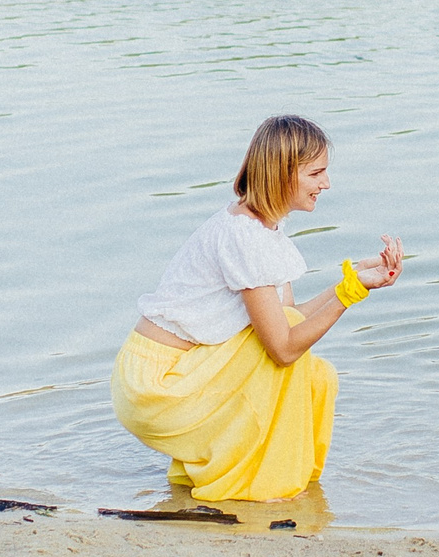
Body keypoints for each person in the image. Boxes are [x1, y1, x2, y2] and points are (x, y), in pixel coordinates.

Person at [112, 116, 404, 503]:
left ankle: (246, 475)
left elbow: (287, 314)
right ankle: (260, 487)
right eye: (316, 173)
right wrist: (347, 297)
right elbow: (283, 348)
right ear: (282, 174)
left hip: (173, 371)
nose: (326, 184)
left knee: (319, 376)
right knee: (292, 362)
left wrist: (354, 283)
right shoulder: (245, 238)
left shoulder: (261, 228)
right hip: (157, 384)